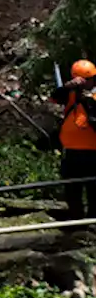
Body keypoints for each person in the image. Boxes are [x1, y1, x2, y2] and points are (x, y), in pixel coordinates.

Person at [51, 59, 97, 219]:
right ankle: (77, 222)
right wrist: (68, 86)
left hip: (93, 153)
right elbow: (55, 97)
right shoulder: (71, 95)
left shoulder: (94, 96)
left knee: (94, 191)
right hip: (72, 152)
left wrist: (88, 100)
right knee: (72, 190)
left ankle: (93, 222)